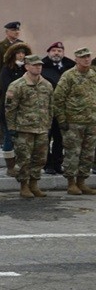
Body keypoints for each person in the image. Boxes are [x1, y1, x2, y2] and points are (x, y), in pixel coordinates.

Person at [4, 54, 53, 198]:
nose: (38, 67)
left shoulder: (47, 85)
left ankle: (34, 183)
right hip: (23, 129)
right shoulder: (17, 85)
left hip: (42, 128)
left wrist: (48, 123)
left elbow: (51, 106)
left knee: (40, 158)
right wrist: (11, 128)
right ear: (27, 66)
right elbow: (10, 109)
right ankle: (24, 185)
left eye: (40, 65)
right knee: (24, 159)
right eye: (35, 65)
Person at [52, 47, 96, 195]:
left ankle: (82, 182)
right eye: (83, 57)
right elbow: (58, 99)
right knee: (73, 153)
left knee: (88, 154)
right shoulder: (68, 76)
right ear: (76, 59)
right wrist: (62, 119)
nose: (86, 59)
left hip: (91, 122)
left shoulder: (93, 75)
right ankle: (71, 183)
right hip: (73, 123)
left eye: (88, 56)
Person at [0, 42, 32, 176]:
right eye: (18, 53)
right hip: (10, 108)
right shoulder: (7, 69)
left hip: (26, 109)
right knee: (9, 137)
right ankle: (10, 166)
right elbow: (8, 87)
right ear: (13, 55)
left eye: (23, 53)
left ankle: (23, 165)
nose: (21, 55)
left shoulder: (27, 69)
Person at [41, 42, 75, 174]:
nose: (56, 53)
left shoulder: (69, 66)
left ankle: (57, 163)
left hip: (63, 109)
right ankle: (48, 164)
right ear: (49, 52)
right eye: (54, 50)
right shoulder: (42, 66)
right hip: (47, 109)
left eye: (59, 51)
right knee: (46, 138)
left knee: (60, 138)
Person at [0, 21, 23, 90]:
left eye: (18, 30)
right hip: (5, 82)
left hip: (20, 82)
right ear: (7, 32)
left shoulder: (22, 45)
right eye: (13, 30)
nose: (16, 32)